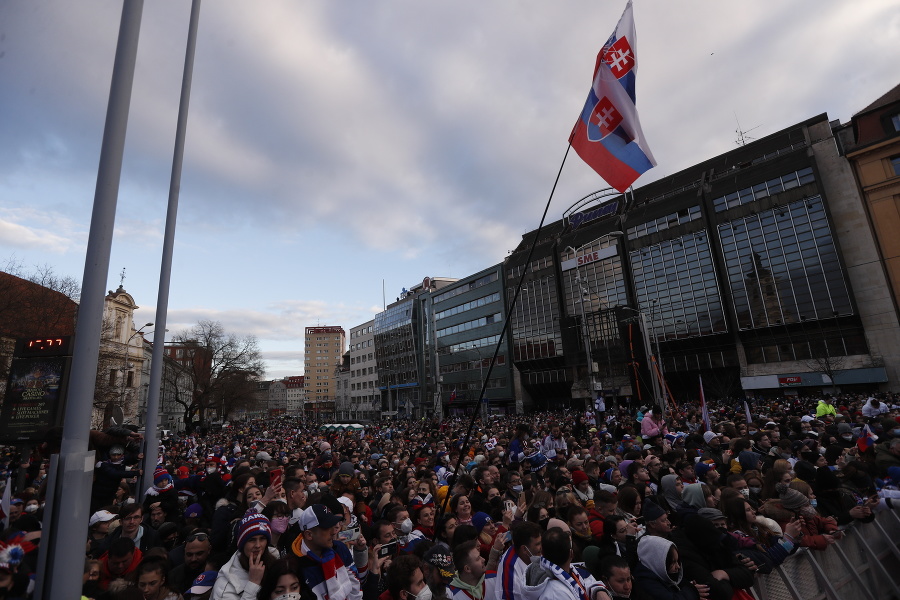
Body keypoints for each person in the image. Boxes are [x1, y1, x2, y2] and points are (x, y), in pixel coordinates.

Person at [290, 504, 367, 600]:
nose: (334, 531)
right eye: (326, 527)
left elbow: (356, 589)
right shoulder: (294, 566)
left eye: (333, 525)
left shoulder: (339, 548)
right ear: (309, 534)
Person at [522, 528, 609, 600]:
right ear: (571, 554)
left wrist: (598, 590)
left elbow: (584, 580)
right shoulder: (556, 594)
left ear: (542, 552)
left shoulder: (561, 570)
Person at [213, 513, 279, 599]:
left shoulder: (276, 560)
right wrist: (253, 583)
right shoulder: (225, 584)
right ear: (242, 544)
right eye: (252, 540)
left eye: (262, 539)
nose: (258, 545)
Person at [634, 536, 704, 600]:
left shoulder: (663, 574)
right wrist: (692, 591)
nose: (678, 566)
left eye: (677, 561)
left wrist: (690, 587)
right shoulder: (645, 581)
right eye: (673, 562)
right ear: (657, 561)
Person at [494, 521, 541, 600]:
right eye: (537, 544)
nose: (541, 547)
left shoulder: (524, 551)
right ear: (524, 549)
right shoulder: (511, 572)